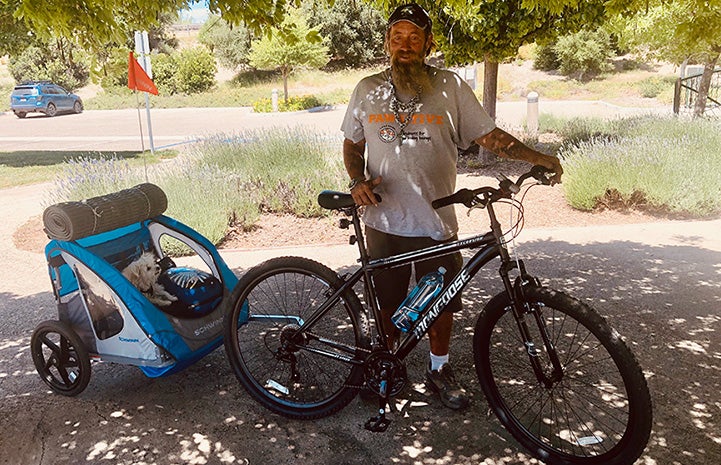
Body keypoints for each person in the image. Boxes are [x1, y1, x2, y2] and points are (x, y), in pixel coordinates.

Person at [341, 3, 562, 410]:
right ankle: (389, 367)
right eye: (397, 37)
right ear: (387, 42)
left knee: (441, 300)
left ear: (428, 43)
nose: (404, 45)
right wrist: (356, 181)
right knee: (388, 302)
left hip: (436, 218)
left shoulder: (451, 87)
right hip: (383, 218)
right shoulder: (366, 88)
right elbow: (353, 145)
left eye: (413, 37)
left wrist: (536, 157)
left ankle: (438, 368)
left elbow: (489, 136)